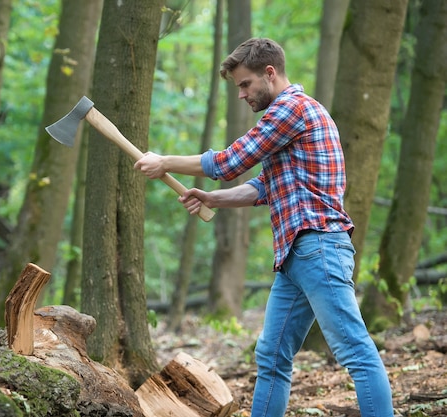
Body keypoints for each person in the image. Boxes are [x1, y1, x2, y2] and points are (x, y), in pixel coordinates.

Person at [134, 38, 394, 417]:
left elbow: (229, 162)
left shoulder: (292, 110)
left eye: (245, 84)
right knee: (271, 355)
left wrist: (165, 161)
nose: (241, 95)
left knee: (354, 349)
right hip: (296, 254)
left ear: (269, 74)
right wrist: (211, 198)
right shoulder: (291, 119)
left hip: (318, 246)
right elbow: (264, 186)